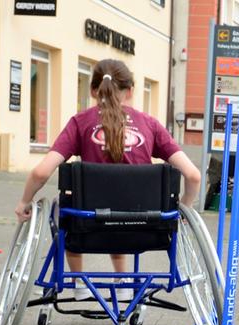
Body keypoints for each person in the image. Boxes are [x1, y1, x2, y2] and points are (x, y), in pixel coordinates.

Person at [15, 59, 201, 299]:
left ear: (93, 90)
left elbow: (41, 173)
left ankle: (79, 283)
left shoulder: (80, 123)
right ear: (131, 91)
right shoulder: (150, 125)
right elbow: (193, 176)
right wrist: (183, 210)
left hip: (86, 228)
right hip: (143, 229)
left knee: (65, 209)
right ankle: (123, 282)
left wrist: (24, 202)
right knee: (123, 208)